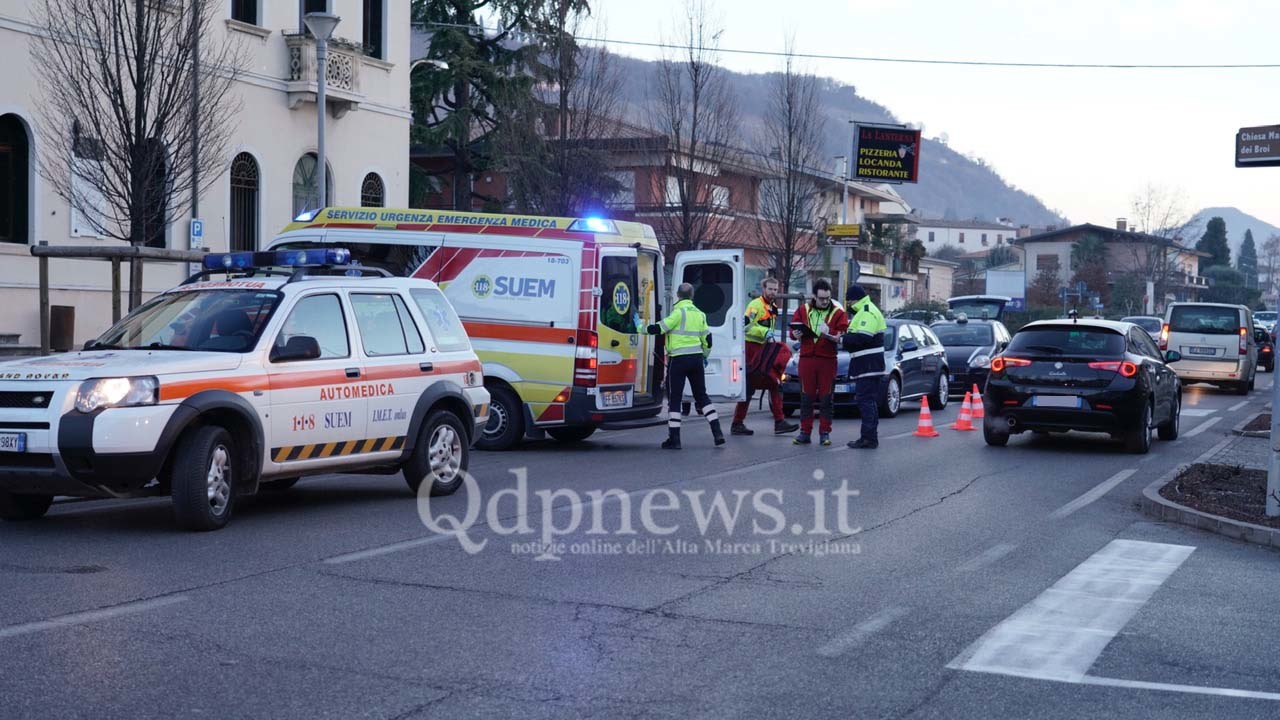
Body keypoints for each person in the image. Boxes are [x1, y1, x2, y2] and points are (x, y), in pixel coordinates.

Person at [648, 282, 726, 449]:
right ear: (692, 296)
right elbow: (708, 339)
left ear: (677, 295)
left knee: (675, 399)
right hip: (696, 360)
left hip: (678, 360)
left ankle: (674, 439)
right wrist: (705, 355)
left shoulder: (678, 312)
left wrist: (639, 326)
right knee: (702, 396)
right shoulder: (700, 314)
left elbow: (659, 328)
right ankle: (717, 432)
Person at [732, 277, 799, 436]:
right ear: (763, 289)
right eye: (770, 289)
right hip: (751, 350)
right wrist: (763, 332)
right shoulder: (755, 305)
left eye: (775, 290)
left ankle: (779, 422)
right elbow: (745, 326)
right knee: (750, 388)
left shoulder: (773, 307)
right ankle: (737, 423)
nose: (773, 292)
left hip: (762, 349)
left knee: (773, 384)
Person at [790, 279, 849, 447]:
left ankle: (825, 433)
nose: (825, 301)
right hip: (807, 359)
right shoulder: (803, 310)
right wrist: (796, 334)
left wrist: (833, 334)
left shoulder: (838, 313)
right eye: (822, 298)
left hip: (828, 360)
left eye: (828, 298)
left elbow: (843, 333)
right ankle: (804, 432)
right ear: (814, 296)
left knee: (826, 399)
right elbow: (793, 332)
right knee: (806, 398)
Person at [840, 284, 887, 449]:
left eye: (849, 301)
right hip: (866, 365)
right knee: (867, 401)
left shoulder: (867, 311)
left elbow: (862, 337)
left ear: (854, 300)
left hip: (869, 365)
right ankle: (868, 437)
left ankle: (869, 438)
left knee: (866, 401)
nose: (848, 305)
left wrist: (842, 340)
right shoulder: (863, 311)